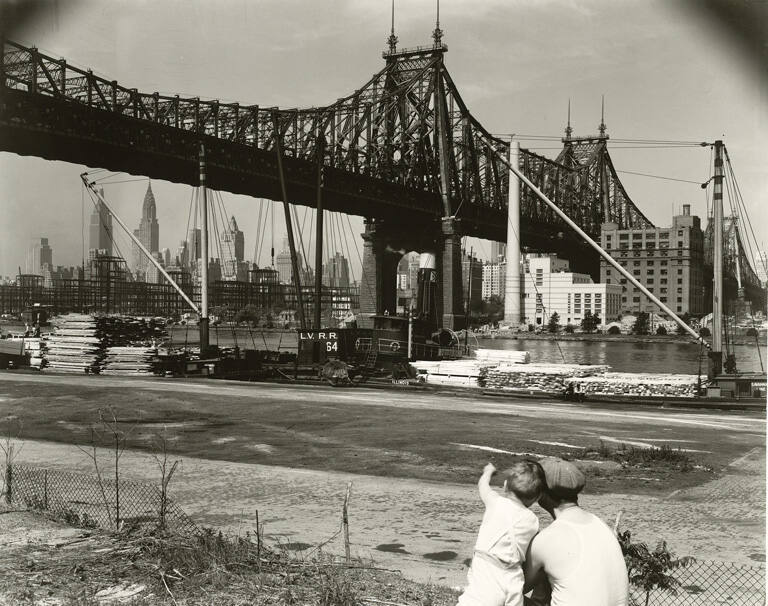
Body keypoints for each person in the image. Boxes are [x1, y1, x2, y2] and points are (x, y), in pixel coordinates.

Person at [523, 457, 629, 606]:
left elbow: (517, 587)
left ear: (541, 493)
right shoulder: (601, 525)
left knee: (500, 593)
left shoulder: (548, 538)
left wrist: (516, 505)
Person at [458, 460, 546, 606]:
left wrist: (488, 471)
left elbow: (483, 486)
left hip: (486, 571)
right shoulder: (533, 521)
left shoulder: (495, 502)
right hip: (513, 578)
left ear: (505, 485)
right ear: (536, 498)